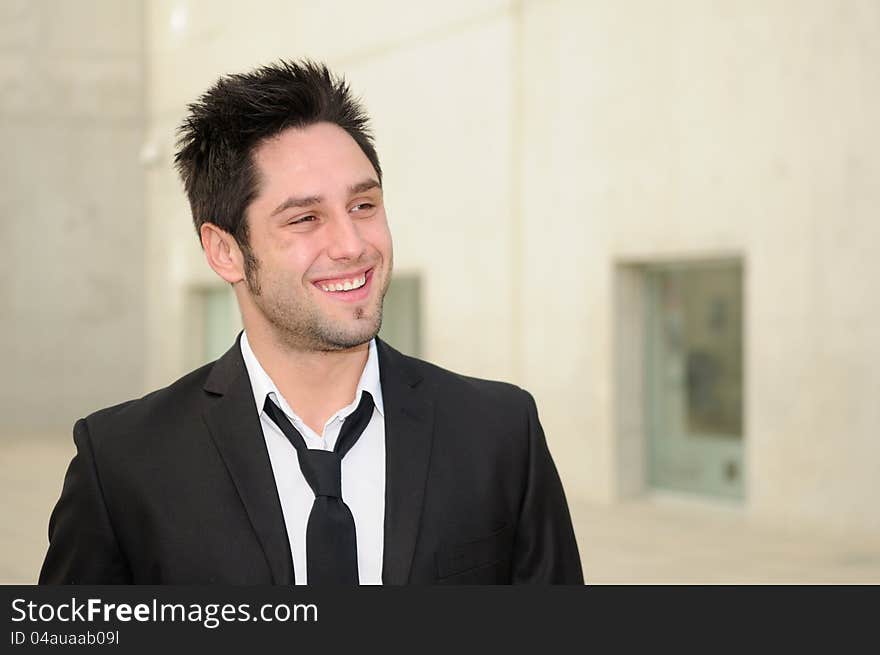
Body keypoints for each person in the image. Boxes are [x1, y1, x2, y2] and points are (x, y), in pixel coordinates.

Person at [39, 60, 583, 585]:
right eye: (305, 218)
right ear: (225, 252)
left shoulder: (501, 433)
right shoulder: (122, 463)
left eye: (364, 205)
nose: (352, 245)